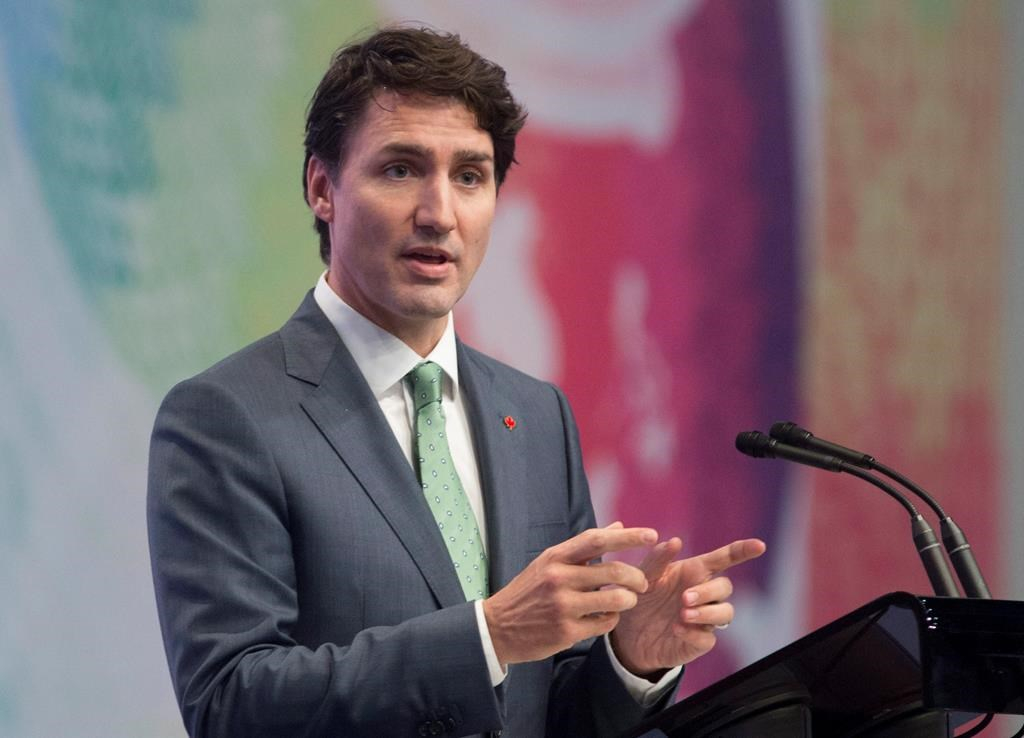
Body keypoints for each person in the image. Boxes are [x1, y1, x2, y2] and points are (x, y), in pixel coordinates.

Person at [147, 26, 766, 738]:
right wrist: (488, 637)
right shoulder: (226, 417)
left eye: (470, 176)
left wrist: (631, 660)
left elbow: (549, 708)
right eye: (401, 169)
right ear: (323, 187)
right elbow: (231, 705)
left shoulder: (535, 415)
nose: (439, 214)